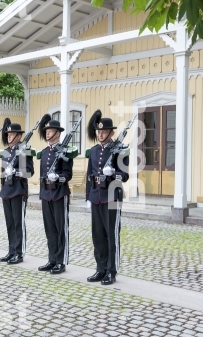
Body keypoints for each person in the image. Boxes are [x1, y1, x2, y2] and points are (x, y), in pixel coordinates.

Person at [85, 110, 129, 285]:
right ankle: (100, 268)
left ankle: (111, 271)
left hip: (112, 198)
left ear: (112, 133)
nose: (100, 134)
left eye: (104, 132)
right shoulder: (94, 151)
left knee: (112, 235)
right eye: (99, 131)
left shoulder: (120, 150)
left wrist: (113, 174)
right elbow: (90, 175)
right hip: (96, 197)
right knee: (97, 235)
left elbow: (124, 176)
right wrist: (88, 197)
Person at [36, 115, 73, 274]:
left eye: (50, 131)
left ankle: (61, 261)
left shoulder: (65, 150)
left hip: (59, 193)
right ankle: (52, 259)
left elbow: (68, 174)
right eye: (46, 131)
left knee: (60, 228)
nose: (47, 133)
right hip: (46, 193)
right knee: (49, 228)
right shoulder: (44, 152)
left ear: (57, 133)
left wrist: (58, 177)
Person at [0, 119, 34, 265]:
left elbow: (30, 172)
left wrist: (16, 171)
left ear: (19, 136)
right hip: (7, 190)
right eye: (8, 134)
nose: (9, 136)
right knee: (10, 223)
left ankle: (19, 253)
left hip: (18, 190)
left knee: (18, 223)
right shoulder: (6, 152)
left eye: (12, 134)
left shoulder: (24, 150)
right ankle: (11, 250)